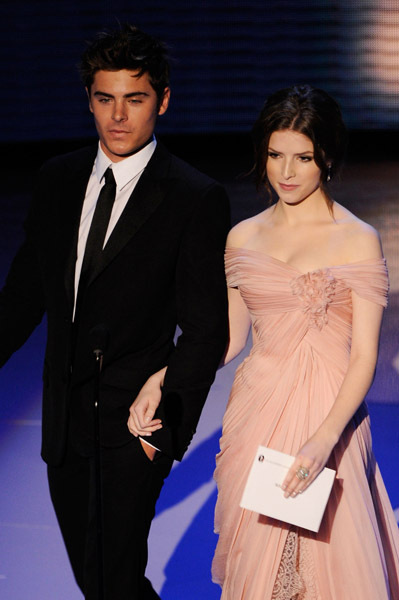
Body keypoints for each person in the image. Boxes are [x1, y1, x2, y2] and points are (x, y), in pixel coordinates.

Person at [136, 85, 399, 598]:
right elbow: (229, 339)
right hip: (257, 410)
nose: (286, 171)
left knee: (332, 567)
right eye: (276, 155)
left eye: (303, 157)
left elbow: (365, 354)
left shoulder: (358, 238)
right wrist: (164, 375)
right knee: (261, 564)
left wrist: (324, 437)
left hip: (331, 415)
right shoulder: (244, 236)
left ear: (327, 155)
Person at [0, 24, 230, 600]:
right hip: (63, 421)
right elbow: (25, 295)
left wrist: (164, 431)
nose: (118, 116)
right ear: (90, 100)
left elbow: (207, 329)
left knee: (111, 576)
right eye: (105, 99)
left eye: (135, 99)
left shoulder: (193, 196)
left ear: (164, 100)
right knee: (103, 581)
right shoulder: (57, 180)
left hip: (135, 425)